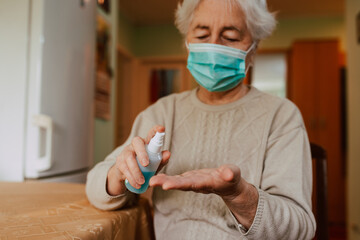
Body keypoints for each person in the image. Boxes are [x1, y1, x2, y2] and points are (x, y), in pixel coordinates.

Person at [86, 0, 316, 239]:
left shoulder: (281, 116)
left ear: (253, 48)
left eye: (230, 37)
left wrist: (240, 196)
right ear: (187, 44)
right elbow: (95, 185)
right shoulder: (163, 112)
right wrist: (119, 174)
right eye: (202, 34)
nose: (214, 46)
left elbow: (299, 228)